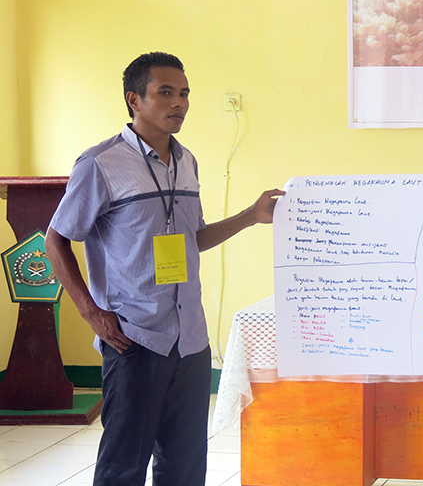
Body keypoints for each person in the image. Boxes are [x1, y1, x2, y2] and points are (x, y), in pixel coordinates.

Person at [45, 52, 284, 486]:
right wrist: (90, 313)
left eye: (185, 93)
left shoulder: (187, 161)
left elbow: (194, 240)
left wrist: (251, 215)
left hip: (189, 340)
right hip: (134, 337)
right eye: (166, 93)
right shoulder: (100, 164)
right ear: (134, 99)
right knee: (123, 466)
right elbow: (56, 238)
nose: (179, 103)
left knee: (185, 465)